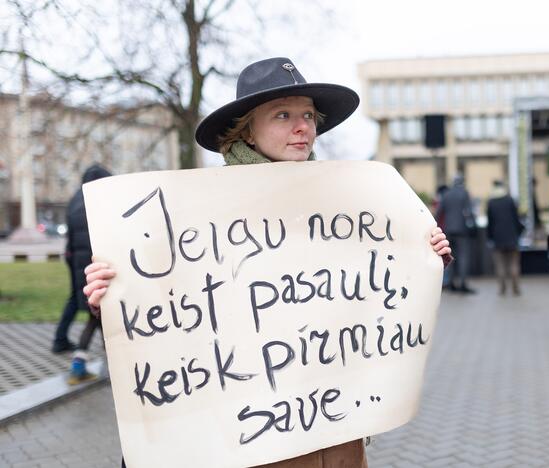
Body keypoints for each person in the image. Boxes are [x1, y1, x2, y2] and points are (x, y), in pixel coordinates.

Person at [82, 57, 452, 468]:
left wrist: (422, 260)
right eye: (283, 115)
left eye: (309, 115)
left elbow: (368, 293)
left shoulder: (347, 207)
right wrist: (110, 300)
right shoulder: (200, 214)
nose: (303, 127)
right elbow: (168, 315)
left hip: (339, 433)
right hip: (256, 441)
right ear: (247, 131)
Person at [52, 164, 112, 357]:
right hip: (97, 263)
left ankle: (60, 339)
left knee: (81, 302)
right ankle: (82, 354)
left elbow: (70, 234)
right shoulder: (102, 198)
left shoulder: (75, 200)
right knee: (97, 307)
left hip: (76, 260)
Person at [437, 174, 476, 293]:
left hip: (449, 229)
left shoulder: (446, 194)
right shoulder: (464, 193)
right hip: (462, 229)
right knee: (463, 257)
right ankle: (463, 284)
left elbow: (439, 212)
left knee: (450, 257)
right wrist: (473, 224)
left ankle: (451, 283)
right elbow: (469, 211)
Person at [485, 180, 523, 296]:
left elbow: (490, 222)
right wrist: (518, 233)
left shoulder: (491, 202)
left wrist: (490, 236)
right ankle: (516, 288)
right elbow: (517, 219)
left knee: (500, 264)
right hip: (512, 236)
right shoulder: (510, 200)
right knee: (514, 263)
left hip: (497, 237)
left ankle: (502, 289)